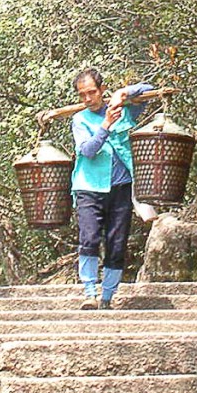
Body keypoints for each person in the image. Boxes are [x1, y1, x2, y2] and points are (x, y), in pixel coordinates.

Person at [71, 68, 154, 310]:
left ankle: (107, 296)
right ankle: (89, 292)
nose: (87, 99)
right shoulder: (80, 120)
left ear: (101, 90)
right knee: (89, 238)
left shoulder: (124, 111)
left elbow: (149, 90)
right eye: (82, 95)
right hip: (89, 187)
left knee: (117, 243)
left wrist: (123, 93)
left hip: (121, 187)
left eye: (92, 93)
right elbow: (87, 150)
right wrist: (106, 124)